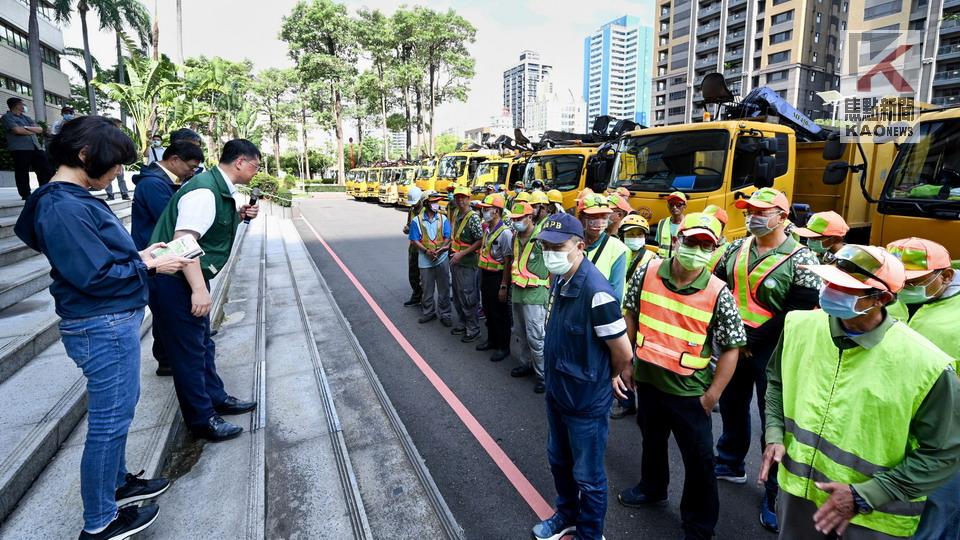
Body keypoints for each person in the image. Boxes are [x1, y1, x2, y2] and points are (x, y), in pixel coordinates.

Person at [14, 116, 192, 539]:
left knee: (120, 411)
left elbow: (90, 257)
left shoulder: (66, 199)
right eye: (113, 165)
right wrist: (148, 263)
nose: (116, 175)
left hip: (108, 320)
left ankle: (117, 483)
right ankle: (100, 522)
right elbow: (92, 274)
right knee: (109, 422)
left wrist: (141, 253)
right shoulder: (63, 205)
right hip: (102, 324)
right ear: (84, 155)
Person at [761, 244, 960, 540]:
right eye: (828, 281)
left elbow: (944, 452)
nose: (829, 290)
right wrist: (775, 433)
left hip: (876, 518)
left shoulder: (928, 366)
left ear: (882, 298)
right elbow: (777, 381)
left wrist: (866, 495)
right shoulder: (799, 325)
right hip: (799, 498)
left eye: (844, 287)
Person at [616, 213, 746, 540]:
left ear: (714, 249)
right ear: (678, 240)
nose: (697, 250)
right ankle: (653, 488)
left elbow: (732, 347)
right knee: (652, 440)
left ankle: (699, 525)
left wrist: (713, 395)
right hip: (648, 381)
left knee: (700, 462)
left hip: (690, 393)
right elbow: (631, 314)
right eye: (692, 242)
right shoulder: (647, 272)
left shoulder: (718, 291)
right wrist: (628, 363)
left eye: (706, 245)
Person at [713, 187, 821, 532]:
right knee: (732, 404)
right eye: (749, 211)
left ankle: (773, 491)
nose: (752, 217)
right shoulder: (735, 247)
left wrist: (751, 338)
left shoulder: (803, 258)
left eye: (761, 211)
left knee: (772, 420)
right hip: (736, 346)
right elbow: (718, 289)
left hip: (774, 350)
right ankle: (730, 461)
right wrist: (729, 334)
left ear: (782, 217)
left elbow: (800, 309)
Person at [149, 139, 262, 442]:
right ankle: (202, 420)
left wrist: (240, 216)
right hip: (174, 280)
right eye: (255, 165)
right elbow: (182, 241)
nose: (256, 171)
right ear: (240, 161)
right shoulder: (204, 191)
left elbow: (207, 228)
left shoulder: (217, 188)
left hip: (186, 275)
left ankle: (215, 396)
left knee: (201, 344)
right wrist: (199, 289)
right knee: (188, 352)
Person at [531, 213, 634, 540]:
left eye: (557, 247)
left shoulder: (597, 292)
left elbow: (623, 352)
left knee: (588, 477)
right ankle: (567, 516)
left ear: (579, 247)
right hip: (559, 394)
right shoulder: (559, 280)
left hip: (586, 401)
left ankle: (590, 533)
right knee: (558, 461)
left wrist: (607, 376)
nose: (550, 253)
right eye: (545, 246)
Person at [885, 237, 960, 540]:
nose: (906, 288)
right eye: (901, 280)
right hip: (892, 433)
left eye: (917, 280)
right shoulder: (891, 296)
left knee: (936, 519)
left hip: (945, 441)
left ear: (946, 276)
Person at [131, 141, 205, 376]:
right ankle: (166, 358)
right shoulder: (153, 184)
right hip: (157, 256)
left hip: (159, 255)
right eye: (190, 167)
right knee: (165, 310)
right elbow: (174, 221)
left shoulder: (161, 180)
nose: (192, 172)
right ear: (174, 160)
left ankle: (165, 358)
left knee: (164, 311)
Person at [609, 213, 658, 420]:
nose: (635, 237)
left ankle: (646, 404)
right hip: (620, 314)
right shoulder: (619, 253)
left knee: (642, 361)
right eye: (630, 233)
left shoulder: (652, 259)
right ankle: (625, 400)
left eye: (639, 234)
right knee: (622, 358)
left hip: (641, 316)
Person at [507, 202, 550, 393]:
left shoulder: (542, 237)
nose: (516, 223)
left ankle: (543, 375)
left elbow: (552, 267)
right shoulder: (516, 237)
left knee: (536, 336)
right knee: (520, 332)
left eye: (519, 219)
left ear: (530, 218)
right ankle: (526, 364)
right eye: (514, 220)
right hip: (518, 292)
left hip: (536, 294)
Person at [475, 193, 513, 360]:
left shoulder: (505, 233)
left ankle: (503, 347)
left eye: (487, 209)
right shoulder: (488, 229)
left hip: (498, 278)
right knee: (488, 310)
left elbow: (507, 261)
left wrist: (504, 285)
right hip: (486, 275)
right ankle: (491, 340)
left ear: (496, 211)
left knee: (500, 313)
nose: (484, 212)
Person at [409, 191, 453, 327]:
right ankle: (429, 312)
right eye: (433, 202)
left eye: (437, 202)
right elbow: (414, 240)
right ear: (426, 203)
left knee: (444, 288)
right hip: (425, 259)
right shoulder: (417, 220)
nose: (436, 204)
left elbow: (447, 236)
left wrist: (441, 250)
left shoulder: (443, 218)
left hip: (442, 257)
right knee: (427, 289)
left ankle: (445, 314)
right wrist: (426, 251)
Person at [580, 193, 630, 302]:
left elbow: (616, 292)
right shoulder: (571, 243)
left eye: (603, 216)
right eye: (593, 217)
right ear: (581, 217)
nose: (599, 222)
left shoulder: (617, 248)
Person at [448, 186, 483, 342]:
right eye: (457, 197)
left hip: (467, 263)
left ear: (469, 199)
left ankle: (473, 328)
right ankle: (463, 323)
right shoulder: (456, 213)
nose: (460, 200)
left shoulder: (473, 217)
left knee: (468, 296)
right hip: (455, 261)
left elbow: (480, 240)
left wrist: (462, 254)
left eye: (463, 197)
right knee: (457, 295)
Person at [2, 97, 52, 200]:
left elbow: (39, 129)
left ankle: (44, 190)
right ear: (16, 105)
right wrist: (30, 130)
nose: (23, 106)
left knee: (44, 169)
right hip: (20, 148)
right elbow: (17, 130)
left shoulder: (26, 118)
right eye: (21, 104)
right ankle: (25, 194)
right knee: (22, 171)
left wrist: (24, 128)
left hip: (35, 147)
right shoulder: (7, 117)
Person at [402, 185, 425, 307]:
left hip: (424, 247)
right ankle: (417, 296)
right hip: (413, 247)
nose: (414, 205)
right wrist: (406, 229)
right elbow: (408, 225)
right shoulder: (411, 210)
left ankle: (426, 300)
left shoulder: (426, 211)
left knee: (425, 276)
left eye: (415, 203)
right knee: (413, 274)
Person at [103, 118, 130, 201]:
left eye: (119, 125)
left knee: (121, 178)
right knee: (108, 177)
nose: (119, 126)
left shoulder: (121, 135)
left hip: (119, 160)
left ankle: (124, 194)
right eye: (117, 124)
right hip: (108, 159)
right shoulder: (106, 135)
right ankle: (110, 195)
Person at [655, 191, 687, 258]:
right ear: (668, 206)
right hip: (663, 264)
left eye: (678, 204)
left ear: (685, 206)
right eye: (671, 204)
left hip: (679, 266)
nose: (674, 207)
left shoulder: (689, 224)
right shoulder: (662, 223)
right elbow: (659, 245)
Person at [703, 204, 730, 272]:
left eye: (709, 220)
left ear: (721, 225)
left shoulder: (728, 250)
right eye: (704, 219)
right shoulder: (698, 241)